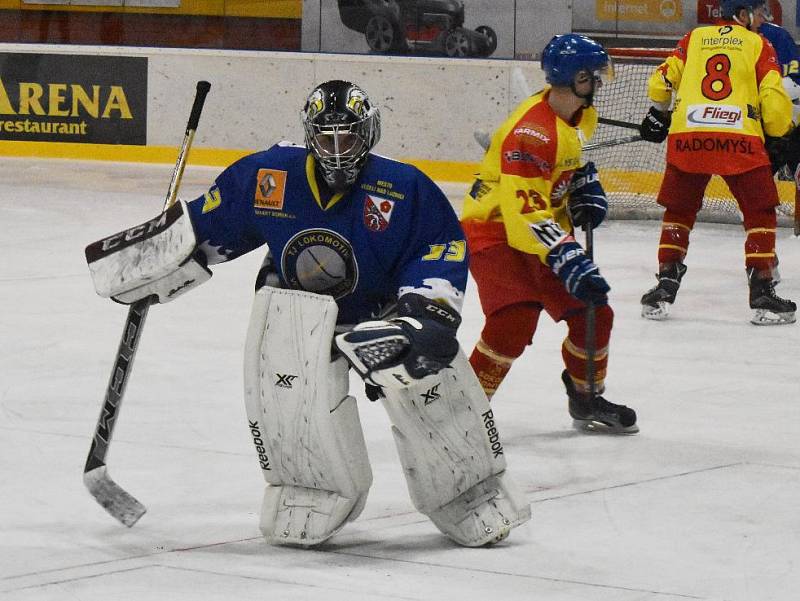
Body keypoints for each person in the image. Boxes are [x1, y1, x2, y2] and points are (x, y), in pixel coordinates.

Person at [85, 79, 530, 548]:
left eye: (349, 137)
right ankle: (310, 491)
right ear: (309, 135)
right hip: (301, 310)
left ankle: (471, 492)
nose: (338, 151)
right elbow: (208, 225)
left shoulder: (403, 187)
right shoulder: (269, 175)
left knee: (427, 379)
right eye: (327, 138)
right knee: (291, 404)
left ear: (370, 133)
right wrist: (153, 257)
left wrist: (427, 313)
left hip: (384, 311)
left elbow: (438, 246)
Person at [460, 34, 638, 435]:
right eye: (593, 77)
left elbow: (563, 164)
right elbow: (525, 212)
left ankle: (585, 395)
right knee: (514, 320)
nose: (599, 83)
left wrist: (581, 184)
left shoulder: (578, 115)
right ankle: (463, 412)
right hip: (495, 229)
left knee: (594, 313)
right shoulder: (531, 134)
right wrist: (566, 255)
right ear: (576, 80)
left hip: (538, 227)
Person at [638, 0, 796, 325]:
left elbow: (660, 82)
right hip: (739, 139)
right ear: (742, 14)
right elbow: (773, 101)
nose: (764, 19)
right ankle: (762, 290)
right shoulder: (758, 44)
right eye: (760, 12)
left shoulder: (692, 38)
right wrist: (779, 131)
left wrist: (660, 112)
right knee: (759, 212)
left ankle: (665, 284)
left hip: (688, 137)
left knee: (679, 212)